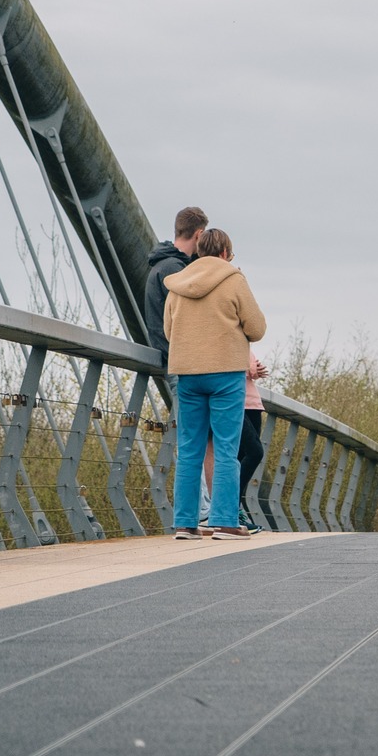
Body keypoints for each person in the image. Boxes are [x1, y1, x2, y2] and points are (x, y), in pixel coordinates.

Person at [164, 229, 267, 541]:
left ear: (198, 252)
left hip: (188, 374)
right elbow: (257, 327)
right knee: (226, 447)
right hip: (225, 373)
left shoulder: (178, 283)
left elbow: (169, 330)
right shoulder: (233, 280)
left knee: (191, 449)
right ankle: (223, 522)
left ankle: (185, 524)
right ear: (225, 253)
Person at [143, 206, 209, 363]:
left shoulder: (163, 264)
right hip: (178, 358)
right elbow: (190, 312)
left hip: (171, 354)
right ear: (199, 234)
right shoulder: (173, 268)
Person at [236, 351, 271, 531]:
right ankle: (231, 507)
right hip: (234, 401)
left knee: (241, 457)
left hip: (253, 403)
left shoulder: (244, 337)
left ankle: (236, 511)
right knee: (254, 452)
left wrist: (253, 368)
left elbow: (251, 366)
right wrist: (249, 368)